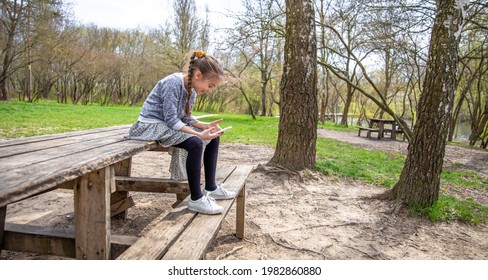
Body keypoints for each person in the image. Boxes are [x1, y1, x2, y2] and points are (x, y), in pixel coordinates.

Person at [126, 50, 235, 215]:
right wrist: (198, 134)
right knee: (196, 142)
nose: (210, 90)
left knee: (213, 137)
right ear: (198, 75)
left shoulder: (192, 89)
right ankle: (196, 199)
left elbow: (184, 117)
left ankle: (211, 188)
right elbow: (171, 120)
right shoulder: (173, 83)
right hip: (150, 125)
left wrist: (204, 126)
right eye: (210, 85)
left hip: (167, 124)